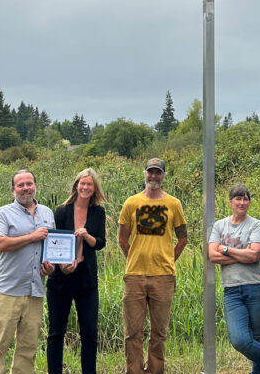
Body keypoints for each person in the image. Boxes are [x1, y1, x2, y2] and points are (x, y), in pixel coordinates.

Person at [118, 157, 188, 374]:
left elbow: (183, 238)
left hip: (163, 277)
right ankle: (135, 370)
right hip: (135, 276)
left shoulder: (174, 204)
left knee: (159, 332)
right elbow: (122, 238)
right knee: (133, 332)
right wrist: (135, 257)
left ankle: (155, 370)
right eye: (150, 172)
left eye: (158, 172)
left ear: (163, 175)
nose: (154, 176)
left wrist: (168, 258)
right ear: (144, 173)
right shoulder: (131, 203)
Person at [209, 185, 260, 374]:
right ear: (230, 202)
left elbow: (254, 256)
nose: (242, 202)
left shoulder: (256, 225)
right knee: (240, 340)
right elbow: (212, 256)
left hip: (258, 286)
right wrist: (243, 254)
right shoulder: (220, 226)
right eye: (238, 199)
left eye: (245, 199)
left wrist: (226, 249)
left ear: (249, 202)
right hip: (232, 290)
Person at [0, 169, 56, 374]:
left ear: (35, 185)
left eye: (29, 184)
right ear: (13, 189)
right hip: (7, 290)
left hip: (34, 290)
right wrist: (31, 237)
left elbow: (50, 248)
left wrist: (49, 267)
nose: (25, 188)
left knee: (28, 348)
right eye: (20, 185)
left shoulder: (47, 213)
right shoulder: (3, 213)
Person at [46, 168, 107, 374]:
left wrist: (88, 237)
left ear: (94, 188)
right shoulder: (62, 210)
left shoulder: (98, 212)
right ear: (76, 185)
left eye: (90, 184)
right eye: (82, 183)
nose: (86, 187)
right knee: (56, 332)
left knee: (89, 332)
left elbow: (100, 243)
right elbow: (54, 243)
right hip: (61, 278)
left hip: (86, 279)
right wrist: (61, 265)